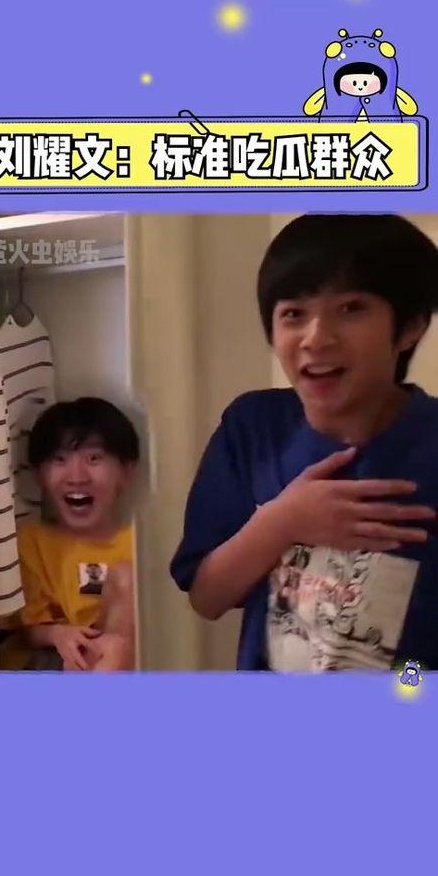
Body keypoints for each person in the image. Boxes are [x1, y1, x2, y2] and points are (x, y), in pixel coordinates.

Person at [171, 214, 438, 672]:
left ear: (409, 327)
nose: (316, 338)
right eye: (294, 314)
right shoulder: (252, 427)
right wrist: (282, 522)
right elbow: (207, 598)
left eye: (351, 308)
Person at [0, 397, 139, 672]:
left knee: (125, 579)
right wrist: (57, 634)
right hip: (49, 658)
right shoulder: (31, 542)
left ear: (126, 471)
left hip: (110, 657)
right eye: (59, 459)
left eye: (94, 458)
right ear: (39, 475)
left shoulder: (139, 544)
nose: (77, 476)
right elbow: (27, 628)